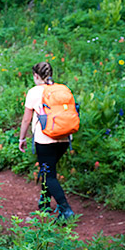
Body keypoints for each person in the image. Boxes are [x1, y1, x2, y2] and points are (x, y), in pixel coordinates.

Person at [18, 61, 74, 220]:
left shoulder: (34, 92)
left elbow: (26, 120)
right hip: (64, 138)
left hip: (45, 140)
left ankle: (66, 210)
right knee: (48, 170)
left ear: (36, 76)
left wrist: (22, 138)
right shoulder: (62, 89)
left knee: (49, 175)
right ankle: (44, 202)